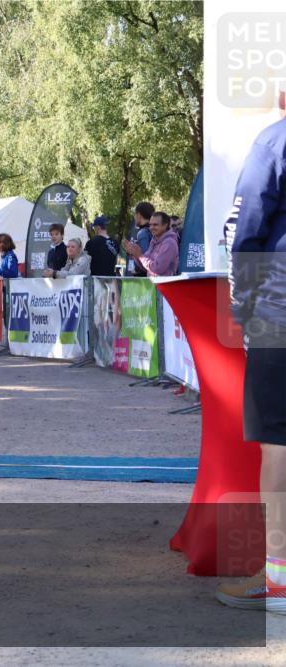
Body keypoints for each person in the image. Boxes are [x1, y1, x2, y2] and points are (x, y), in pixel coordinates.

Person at [218, 98, 286, 614]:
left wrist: (242, 304)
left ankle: (281, 580)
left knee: (279, 446)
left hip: (277, 315)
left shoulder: (273, 140)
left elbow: (244, 233)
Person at [123, 211, 179, 277]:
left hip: (164, 286)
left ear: (165, 225)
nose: (151, 228)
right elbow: (146, 268)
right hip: (153, 285)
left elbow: (157, 268)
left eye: (155, 225)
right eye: (150, 225)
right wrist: (135, 254)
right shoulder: (154, 241)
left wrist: (140, 256)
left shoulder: (169, 243)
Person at [128, 201, 156, 276]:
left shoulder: (142, 233)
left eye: (135, 214)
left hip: (143, 276)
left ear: (139, 215)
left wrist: (134, 254)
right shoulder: (154, 231)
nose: (134, 217)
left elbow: (145, 257)